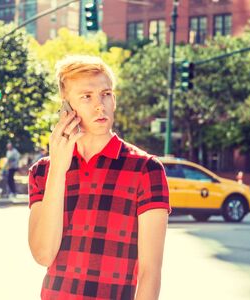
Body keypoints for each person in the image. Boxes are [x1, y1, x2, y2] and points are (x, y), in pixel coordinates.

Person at [28, 55, 170, 300]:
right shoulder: (42, 172)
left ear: (114, 100)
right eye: (86, 96)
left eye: (105, 94)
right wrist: (59, 169)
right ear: (67, 108)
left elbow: (150, 272)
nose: (99, 105)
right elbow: (43, 254)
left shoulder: (147, 169)